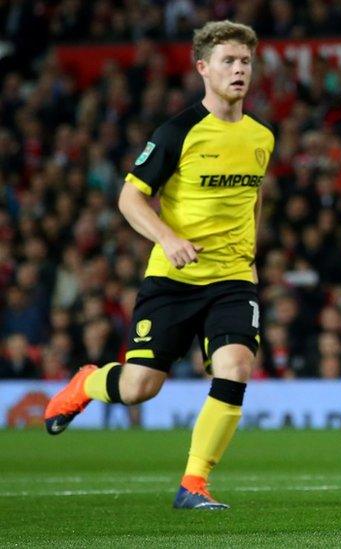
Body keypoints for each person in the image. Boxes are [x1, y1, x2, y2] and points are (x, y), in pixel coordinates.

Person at [43, 21, 274, 510]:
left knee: (236, 366)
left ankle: (194, 483)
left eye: (246, 61)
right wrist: (167, 238)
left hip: (232, 278)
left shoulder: (261, 136)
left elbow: (252, 196)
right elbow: (130, 198)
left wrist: (250, 252)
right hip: (173, 279)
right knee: (138, 387)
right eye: (229, 61)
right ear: (203, 69)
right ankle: (85, 382)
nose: (239, 69)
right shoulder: (177, 132)